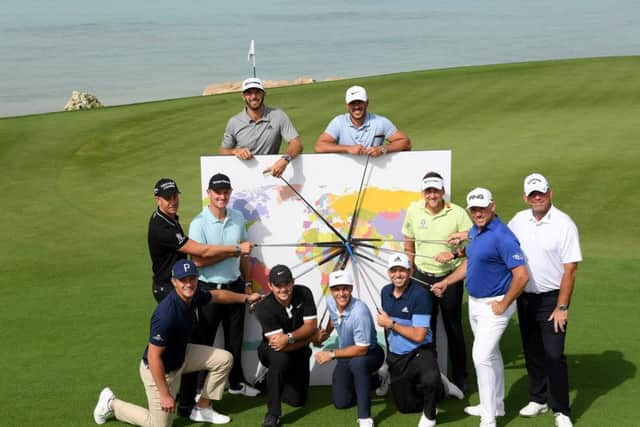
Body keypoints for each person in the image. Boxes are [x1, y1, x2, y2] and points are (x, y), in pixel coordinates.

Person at [93, 259, 262, 427]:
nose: (188, 284)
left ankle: (203, 407)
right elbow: (154, 357)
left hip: (182, 355)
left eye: (192, 279)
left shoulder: (194, 294)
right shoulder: (166, 314)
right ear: (174, 282)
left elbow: (217, 295)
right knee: (157, 425)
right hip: (159, 371)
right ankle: (111, 403)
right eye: (183, 280)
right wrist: (165, 394)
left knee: (224, 359)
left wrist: (245, 298)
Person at [432, 188, 529, 427]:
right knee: (492, 354)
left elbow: (522, 275)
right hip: (476, 304)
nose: (478, 213)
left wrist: (504, 303)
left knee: (481, 356)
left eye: (482, 208)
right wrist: (446, 281)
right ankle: (496, 405)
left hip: (495, 305)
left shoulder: (503, 237)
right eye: (473, 209)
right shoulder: (475, 231)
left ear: (492, 206)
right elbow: (472, 261)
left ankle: (488, 419)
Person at [508, 173, 582, 427]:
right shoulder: (518, 220)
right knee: (532, 351)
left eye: (541, 193)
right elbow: (499, 241)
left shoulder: (564, 224)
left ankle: (561, 410)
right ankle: (538, 399)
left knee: (553, 354)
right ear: (525, 197)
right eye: (532, 194)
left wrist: (562, 306)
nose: (536, 197)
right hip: (525, 297)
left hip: (552, 299)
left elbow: (570, 269)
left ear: (550, 193)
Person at [187, 172, 260, 398]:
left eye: (226, 192)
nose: (222, 196)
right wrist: (234, 250)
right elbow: (198, 260)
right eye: (217, 192)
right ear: (209, 193)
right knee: (205, 342)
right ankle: (200, 388)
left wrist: (247, 283)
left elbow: (245, 254)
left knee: (235, 340)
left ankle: (236, 383)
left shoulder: (237, 217)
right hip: (209, 290)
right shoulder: (198, 223)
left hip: (235, 286)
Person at [402, 171, 473, 392]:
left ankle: (460, 375)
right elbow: (408, 241)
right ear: (424, 192)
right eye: (428, 191)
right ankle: (429, 375)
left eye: (436, 190)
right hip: (422, 277)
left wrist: (454, 254)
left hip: (449, 277)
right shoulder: (414, 210)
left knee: (453, 328)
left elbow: (475, 244)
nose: (432, 195)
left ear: (442, 191)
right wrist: (410, 266)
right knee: (426, 328)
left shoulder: (458, 213)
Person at [376, 253, 463, 427]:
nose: (398, 275)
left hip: (420, 350)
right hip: (398, 355)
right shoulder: (385, 292)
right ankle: (442, 385)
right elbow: (387, 329)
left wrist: (391, 324)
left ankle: (431, 414)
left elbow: (419, 336)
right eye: (394, 270)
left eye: (402, 270)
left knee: (429, 378)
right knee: (405, 407)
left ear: (410, 271)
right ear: (389, 272)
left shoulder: (420, 295)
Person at [147, 178, 252, 303]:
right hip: (168, 286)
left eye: (175, 196)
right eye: (168, 198)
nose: (173, 202)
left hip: (178, 282)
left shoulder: (169, 217)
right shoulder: (162, 227)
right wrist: (236, 249)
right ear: (158, 200)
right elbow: (202, 252)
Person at [314, 270, 385, 427]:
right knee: (341, 402)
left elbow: (361, 350)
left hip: (370, 353)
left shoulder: (360, 312)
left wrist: (331, 354)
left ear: (351, 288)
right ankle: (378, 379)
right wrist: (326, 334)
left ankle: (365, 417)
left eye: (345, 288)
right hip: (347, 354)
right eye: (336, 289)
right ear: (331, 290)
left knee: (357, 364)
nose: (341, 293)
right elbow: (335, 319)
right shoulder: (331, 301)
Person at [253, 265, 318, 427]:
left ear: (293, 282)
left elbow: (311, 326)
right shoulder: (263, 307)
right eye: (278, 285)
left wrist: (289, 337)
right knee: (281, 359)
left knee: (298, 401)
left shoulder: (304, 293)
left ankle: (271, 382)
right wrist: (309, 339)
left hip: (297, 347)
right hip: (272, 350)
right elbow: (280, 346)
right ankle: (273, 413)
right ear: (270, 286)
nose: (283, 289)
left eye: (286, 284)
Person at [219, 77, 303, 177]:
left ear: (264, 94)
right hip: (242, 174)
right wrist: (235, 151)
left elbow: (296, 144)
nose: (253, 96)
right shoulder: (234, 122)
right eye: (249, 93)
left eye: (257, 92)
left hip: (268, 173)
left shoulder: (278, 116)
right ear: (243, 96)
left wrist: (285, 160)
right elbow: (223, 151)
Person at [314, 85, 411, 156]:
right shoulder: (338, 122)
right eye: (352, 103)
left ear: (367, 103)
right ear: (347, 105)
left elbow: (405, 142)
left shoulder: (380, 121)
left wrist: (382, 149)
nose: (356, 107)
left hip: (375, 170)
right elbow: (319, 146)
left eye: (360, 102)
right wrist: (348, 149)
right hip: (344, 169)